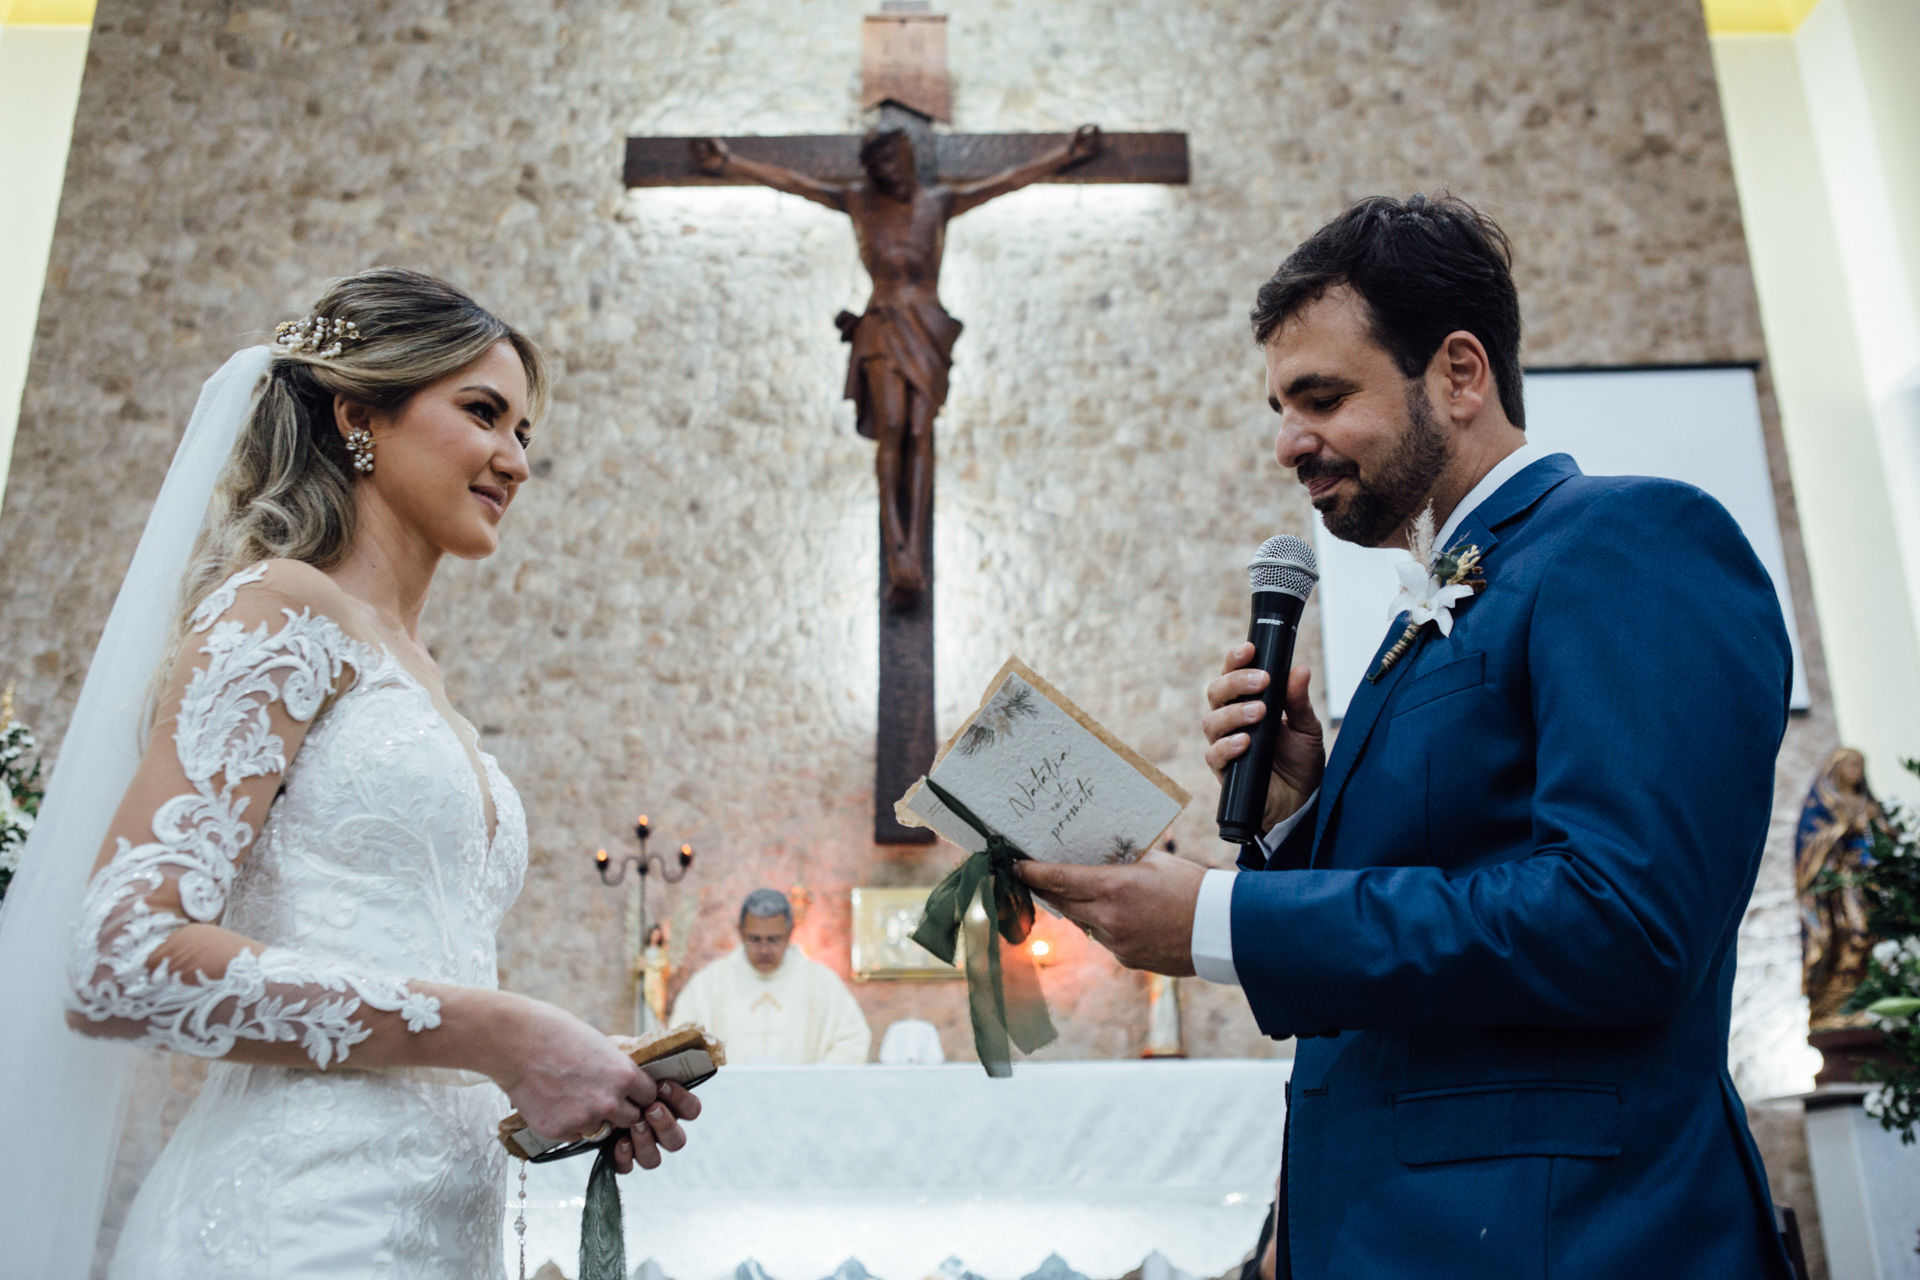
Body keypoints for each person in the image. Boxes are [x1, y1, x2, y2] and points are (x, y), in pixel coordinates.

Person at [1017, 194, 1797, 1278]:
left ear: (1461, 374)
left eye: (1322, 397)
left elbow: (1621, 921)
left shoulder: (1632, 542)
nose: (1290, 442)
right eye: (1282, 407)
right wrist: (1305, 815)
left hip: (1567, 1233)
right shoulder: (1435, 606)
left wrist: (1221, 915)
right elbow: (1451, 895)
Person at [0, 268, 699, 1280]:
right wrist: (504, 1031)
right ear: (359, 412)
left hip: (431, 1239)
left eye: (526, 434)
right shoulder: (280, 610)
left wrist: (559, 1078)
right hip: (289, 1225)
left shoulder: (423, 679)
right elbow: (125, 956)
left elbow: (401, 964)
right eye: (483, 413)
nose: (515, 459)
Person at [692, 123, 1100, 602]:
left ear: (908, 158)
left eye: (897, 160)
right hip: (883, 324)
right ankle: (898, 548)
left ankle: (912, 549)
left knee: (919, 431)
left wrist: (1066, 154)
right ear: (873, 170)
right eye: (881, 165)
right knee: (891, 425)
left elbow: (1007, 180)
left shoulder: (939, 202)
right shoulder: (859, 203)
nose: (891, 172)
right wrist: (729, 164)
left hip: (926, 327)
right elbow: (793, 183)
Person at [671, 888, 872, 1064]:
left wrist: (816, 1083)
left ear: (790, 931)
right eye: (755, 939)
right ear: (740, 932)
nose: (765, 949)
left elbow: (852, 1040)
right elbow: (680, 1043)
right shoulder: (709, 983)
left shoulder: (821, 983)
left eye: (774, 939)